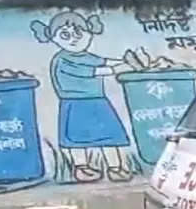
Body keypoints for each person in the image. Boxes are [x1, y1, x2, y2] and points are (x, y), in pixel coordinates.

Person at [31, 11, 134, 183]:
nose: (73, 38)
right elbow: (90, 72)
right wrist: (118, 69)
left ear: (89, 33)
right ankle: (82, 167)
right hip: (75, 104)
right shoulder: (62, 60)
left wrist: (125, 61)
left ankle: (115, 167)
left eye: (78, 33)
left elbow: (104, 61)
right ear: (54, 38)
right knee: (77, 140)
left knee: (109, 136)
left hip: (98, 101)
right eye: (65, 35)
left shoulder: (87, 56)